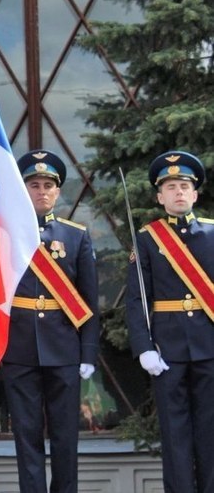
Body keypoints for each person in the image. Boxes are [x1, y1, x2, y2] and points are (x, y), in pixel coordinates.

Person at [0, 149, 100, 493]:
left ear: (57, 192)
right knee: (26, 436)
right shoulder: (2, 235)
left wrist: (87, 354)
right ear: (22, 190)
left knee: (65, 436)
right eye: (34, 184)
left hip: (64, 346)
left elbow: (88, 302)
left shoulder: (76, 236)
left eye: (48, 185)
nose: (41, 191)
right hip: (19, 346)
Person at [125, 150, 214, 493]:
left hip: (209, 345)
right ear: (160, 197)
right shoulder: (147, 239)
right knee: (175, 434)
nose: (179, 192)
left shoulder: (211, 234)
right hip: (167, 350)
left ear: (195, 194)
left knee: (210, 432)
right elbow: (137, 298)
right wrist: (144, 347)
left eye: (185, 186)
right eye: (171, 186)